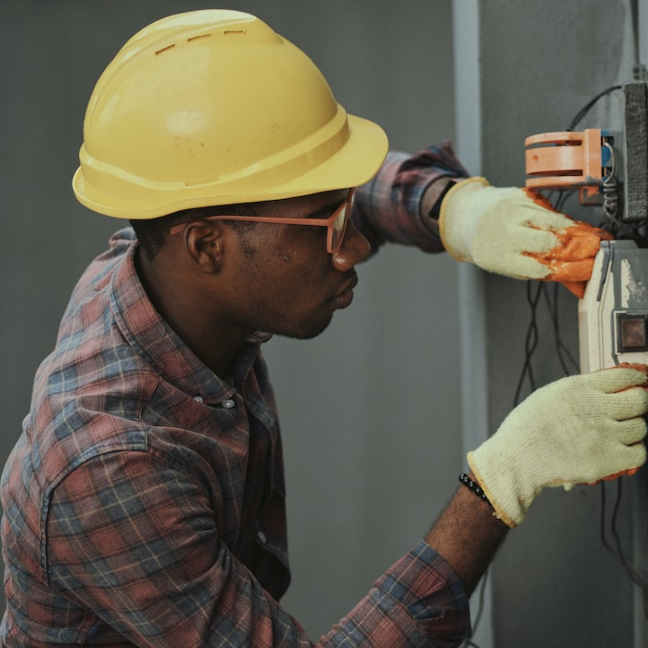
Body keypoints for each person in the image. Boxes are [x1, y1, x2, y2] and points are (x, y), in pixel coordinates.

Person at [1, 9, 645, 648]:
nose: (352, 250)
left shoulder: (162, 255)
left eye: (344, 212)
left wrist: (455, 210)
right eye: (327, 228)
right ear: (205, 247)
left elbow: (304, 195)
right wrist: (502, 480)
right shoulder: (107, 467)